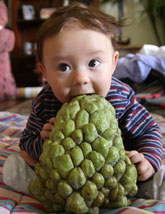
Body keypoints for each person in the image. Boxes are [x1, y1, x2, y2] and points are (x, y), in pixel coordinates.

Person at [3, 2, 164, 199]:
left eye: (93, 63)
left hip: (115, 174)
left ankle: (149, 184)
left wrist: (148, 160)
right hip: (65, 179)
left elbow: (149, 130)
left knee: (150, 178)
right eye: (63, 67)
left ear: (113, 63)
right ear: (44, 72)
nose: (81, 79)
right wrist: (44, 142)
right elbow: (27, 142)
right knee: (22, 165)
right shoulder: (46, 102)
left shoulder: (119, 97)